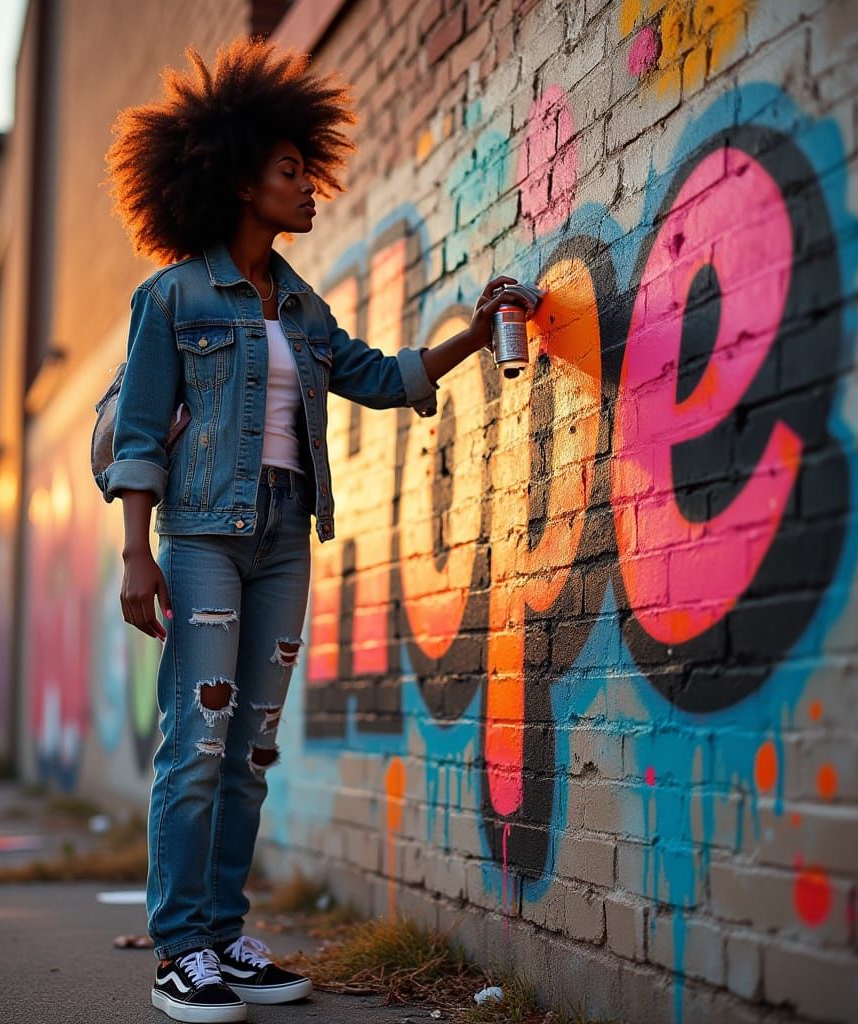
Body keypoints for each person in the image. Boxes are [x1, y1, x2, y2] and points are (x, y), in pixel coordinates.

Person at [101, 37, 534, 1023]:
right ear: (235, 173)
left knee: (251, 747)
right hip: (204, 539)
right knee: (197, 741)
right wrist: (138, 552)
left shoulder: (299, 304)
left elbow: (379, 378)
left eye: (308, 169)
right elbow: (138, 435)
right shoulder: (169, 298)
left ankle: (221, 933)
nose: (309, 189)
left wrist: (470, 332)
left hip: (285, 542)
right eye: (291, 170)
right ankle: (181, 949)